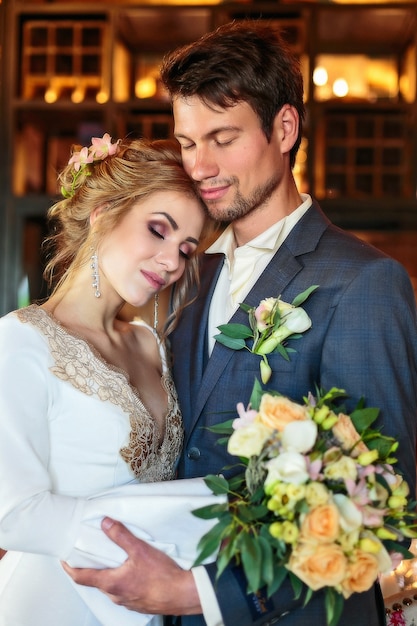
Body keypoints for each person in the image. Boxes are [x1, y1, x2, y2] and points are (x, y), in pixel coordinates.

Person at [64, 20, 417, 626]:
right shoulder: (184, 278)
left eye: (222, 138)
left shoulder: (363, 283)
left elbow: (382, 506)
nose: (200, 165)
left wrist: (199, 596)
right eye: (188, 141)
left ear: (284, 129)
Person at [0, 135, 222, 626]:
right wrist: (150, 554)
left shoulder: (151, 342)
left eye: (186, 248)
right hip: (53, 604)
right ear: (103, 214)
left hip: (153, 605)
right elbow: (11, 512)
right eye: (158, 230)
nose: (172, 261)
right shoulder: (20, 341)